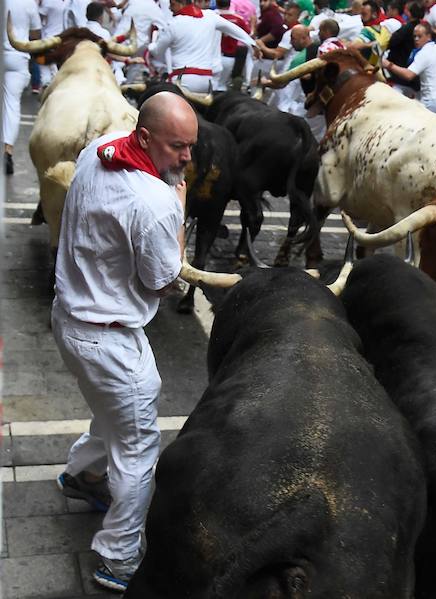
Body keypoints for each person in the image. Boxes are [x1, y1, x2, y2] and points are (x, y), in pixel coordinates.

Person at [53, 91, 197, 593]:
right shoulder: (156, 202)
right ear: (144, 137)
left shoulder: (98, 149)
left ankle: (82, 476)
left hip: (69, 320)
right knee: (138, 446)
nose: (186, 159)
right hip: (109, 340)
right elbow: (163, 280)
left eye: (190, 147)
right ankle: (117, 558)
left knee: (109, 409)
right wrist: (178, 212)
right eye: (177, 147)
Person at [149, 0, 258, 92]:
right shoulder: (210, 16)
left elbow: (157, 52)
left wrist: (151, 43)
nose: (169, 8)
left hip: (182, 80)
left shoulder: (172, 24)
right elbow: (235, 30)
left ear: (181, 3)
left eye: (172, 4)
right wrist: (253, 45)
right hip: (207, 80)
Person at [383, 21, 436, 116]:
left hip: (433, 101)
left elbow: (409, 75)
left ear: (429, 36)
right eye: (414, 36)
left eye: (420, 36)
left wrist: (388, 65)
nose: (416, 39)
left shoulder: (424, 52)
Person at [4, 0, 41, 175]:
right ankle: (7, 150)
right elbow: (35, 33)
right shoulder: (29, 3)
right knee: (11, 104)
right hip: (17, 56)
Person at [216, 0, 252, 90]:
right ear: (230, 4)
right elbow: (248, 33)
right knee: (222, 85)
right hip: (229, 57)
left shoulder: (211, 16)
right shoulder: (238, 19)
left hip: (212, 57)